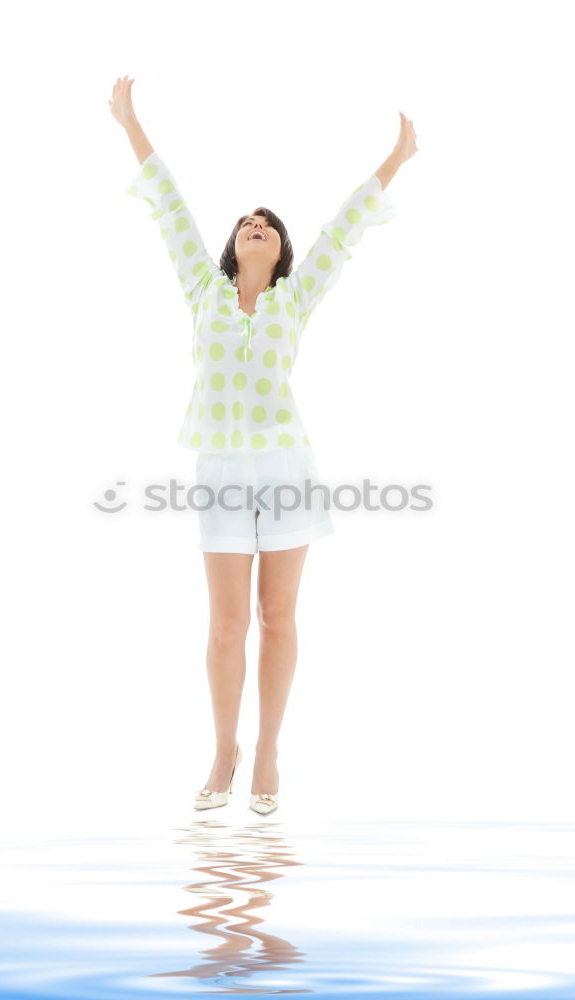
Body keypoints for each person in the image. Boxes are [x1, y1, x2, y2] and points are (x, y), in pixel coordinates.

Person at [109, 75, 418, 814]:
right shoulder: (203, 290)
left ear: (279, 250)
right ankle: (225, 748)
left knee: (278, 616)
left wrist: (396, 158)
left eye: (267, 223)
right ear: (230, 245)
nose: (254, 223)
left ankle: (269, 751)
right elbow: (171, 210)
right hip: (220, 465)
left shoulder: (294, 296)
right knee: (225, 623)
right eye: (245, 220)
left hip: (285, 464)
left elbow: (343, 229)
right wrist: (130, 122)